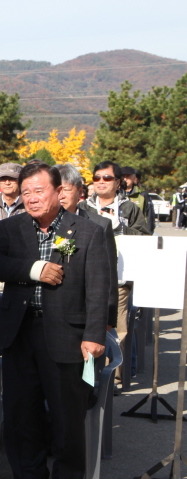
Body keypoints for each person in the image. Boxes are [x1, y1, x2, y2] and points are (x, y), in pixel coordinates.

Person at [0, 162, 109, 479]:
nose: (32, 198)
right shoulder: (11, 228)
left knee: (67, 412)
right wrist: (33, 270)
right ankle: (28, 478)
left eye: (39, 191)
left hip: (67, 333)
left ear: (59, 191)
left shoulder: (87, 232)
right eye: (26, 192)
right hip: (20, 330)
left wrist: (94, 334)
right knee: (21, 410)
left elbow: (100, 289)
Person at [85, 160, 147, 380]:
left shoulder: (130, 208)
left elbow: (145, 238)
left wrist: (121, 226)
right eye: (97, 178)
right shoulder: (84, 207)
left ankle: (115, 378)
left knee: (118, 331)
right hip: (87, 279)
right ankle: (88, 377)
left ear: (118, 182)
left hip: (119, 279)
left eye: (107, 178)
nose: (101, 182)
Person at [58, 164, 118, 332]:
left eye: (66, 190)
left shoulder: (99, 225)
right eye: (57, 190)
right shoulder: (41, 224)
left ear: (80, 192)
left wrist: (108, 317)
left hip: (83, 311)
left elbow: (109, 276)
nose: (61, 196)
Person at [120, 167, 157, 235]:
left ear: (134, 178)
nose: (125, 179)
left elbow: (149, 216)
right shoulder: (116, 194)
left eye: (128, 176)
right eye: (123, 176)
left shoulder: (142, 194)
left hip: (137, 233)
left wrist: (148, 233)